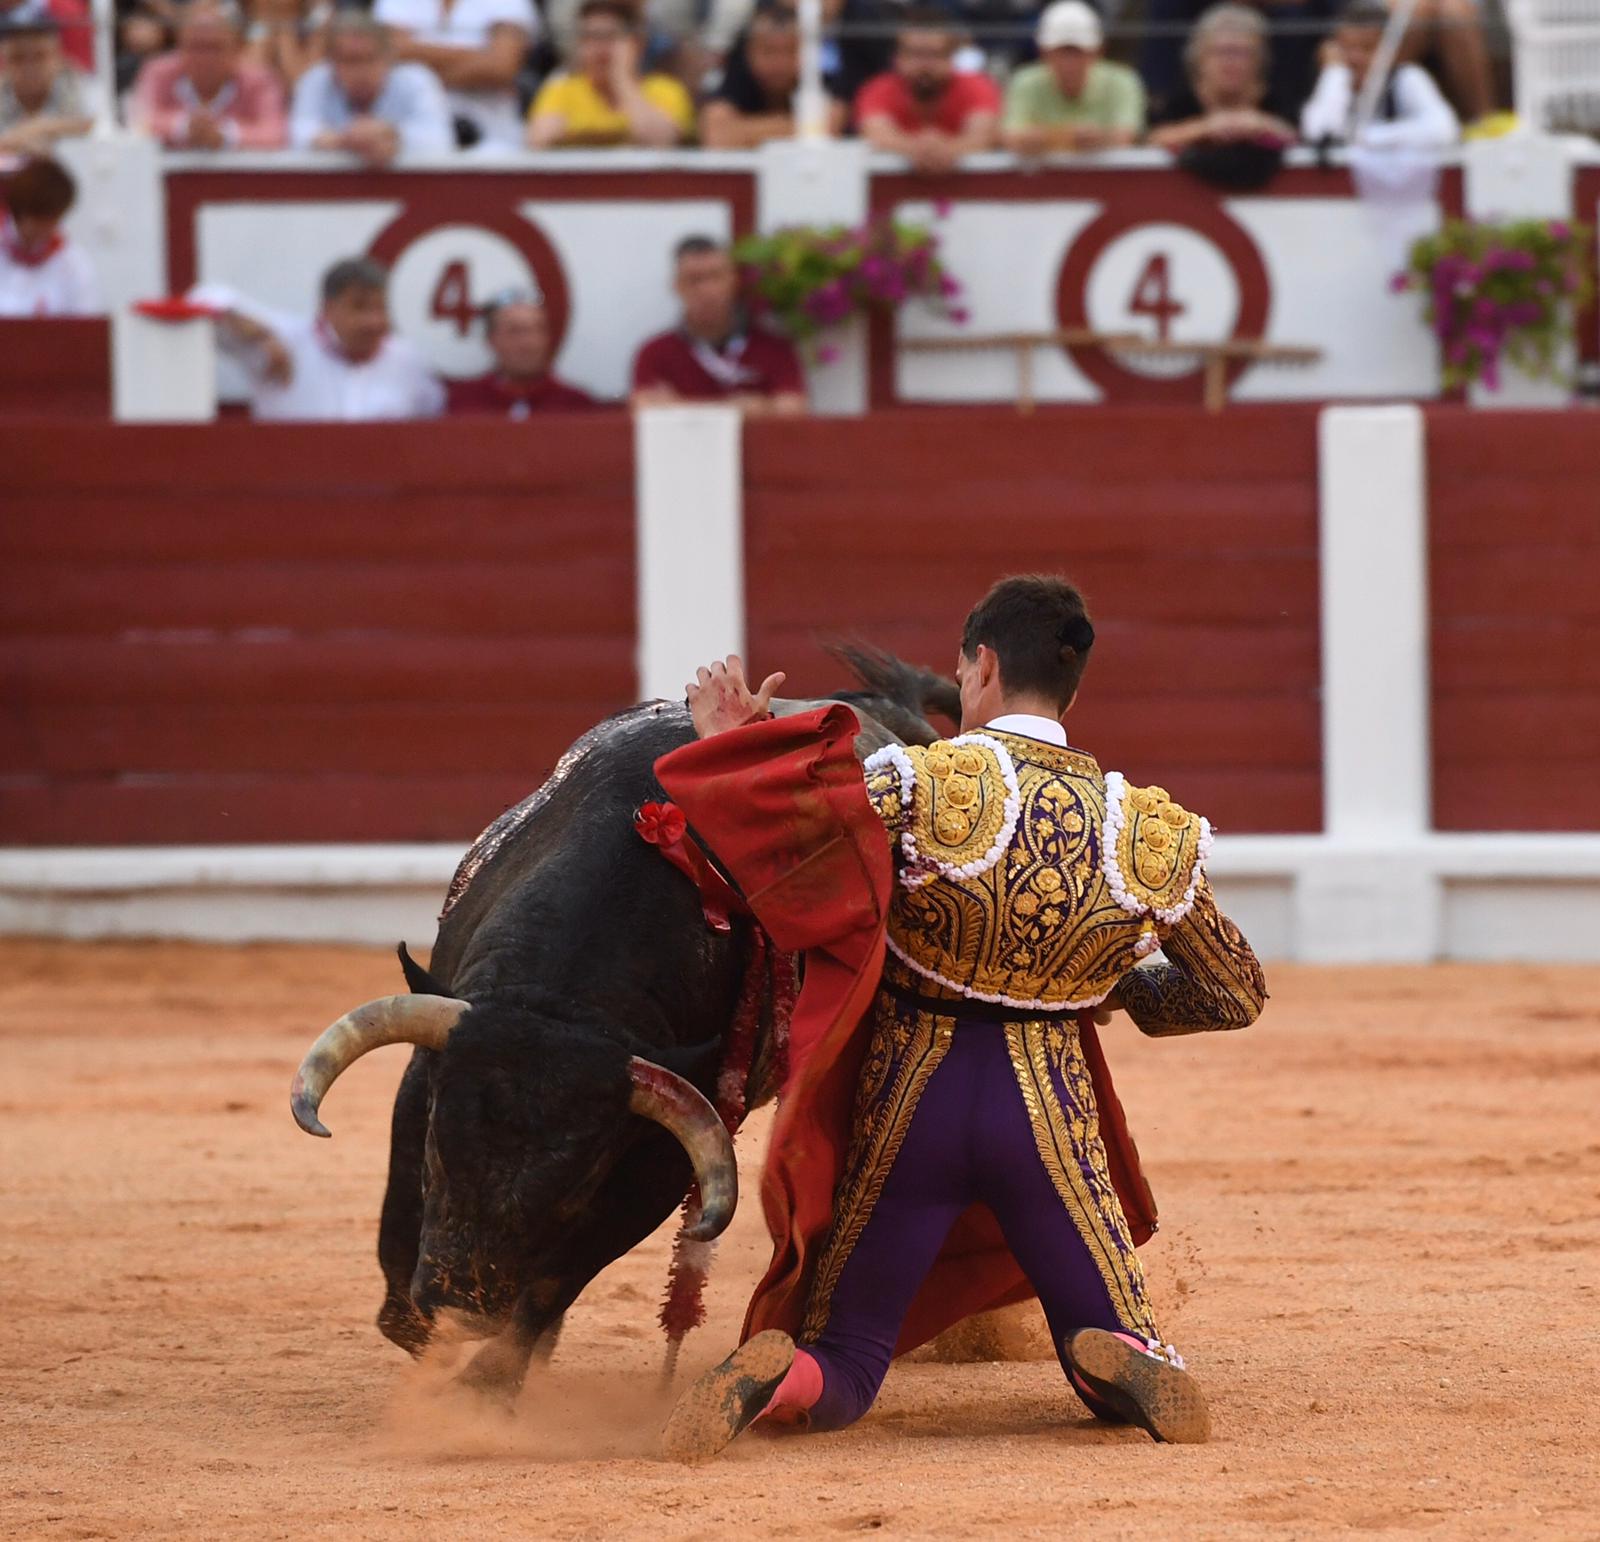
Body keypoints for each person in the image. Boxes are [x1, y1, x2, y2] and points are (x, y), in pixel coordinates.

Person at [653, 576, 1267, 1460]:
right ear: (1070, 685)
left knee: (849, 1357)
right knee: (1112, 1338)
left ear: (981, 665)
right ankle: (1120, 1356)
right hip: (1048, 1111)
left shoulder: (921, 782)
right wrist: (1115, 984)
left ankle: (779, 1378)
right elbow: (1235, 991)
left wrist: (733, 744)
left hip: (912, 1098)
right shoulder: (1146, 829)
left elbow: (791, 846)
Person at [189, 257, 446, 421]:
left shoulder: (407, 360)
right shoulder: (287, 340)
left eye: (381, 308)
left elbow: (432, 419)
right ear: (328, 308)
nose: (373, 321)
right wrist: (262, 336)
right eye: (360, 307)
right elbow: (201, 298)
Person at [631, 235, 806, 414]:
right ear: (677, 286)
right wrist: (744, 409)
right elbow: (644, 408)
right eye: (694, 279)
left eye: (716, 277)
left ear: (734, 281)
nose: (707, 290)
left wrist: (680, 406)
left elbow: (792, 410)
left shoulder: (774, 348)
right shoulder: (655, 352)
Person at [1147, 2, 1297, 184]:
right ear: (1199, 58)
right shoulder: (1180, 100)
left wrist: (1260, 123)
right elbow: (1153, 139)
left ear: (1260, 59)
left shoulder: (1277, 97)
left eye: (1242, 52)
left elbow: (1300, 137)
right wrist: (1206, 127)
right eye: (1221, 51)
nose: (1231, 62)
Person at [373, 0, 538, 150]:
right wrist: (481, 56)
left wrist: (420, 71)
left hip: (494, 139)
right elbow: (393, 51)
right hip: (412, 139)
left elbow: (500, 67)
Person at [289, 12, 454, 162]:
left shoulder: (417, 80)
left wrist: (392, 135)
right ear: (332, 63)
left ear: (389, 59)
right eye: (350, 60)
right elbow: (297, 133)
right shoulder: (316, 79)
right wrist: (345, 140)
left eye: (369, 59)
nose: (361, 71)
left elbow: (439, 140)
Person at [527, 0, 692, 148]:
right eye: (590, 37)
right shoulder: (561, 90)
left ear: (637, 43)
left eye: (610, 36)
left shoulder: (665, 90)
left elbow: (662, 141)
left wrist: (622, 79)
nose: (599, 48)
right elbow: (539, 142)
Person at [854, 10, 1001, 173]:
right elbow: (875, 136)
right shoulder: (877, 89)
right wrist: (921, 149)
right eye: (915, 54)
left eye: (935, 54)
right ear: (897, 58)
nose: (924, 65)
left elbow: (984, 136)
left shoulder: (979, 87)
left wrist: (945, 150)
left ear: (951, 57)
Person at [1300, 0, 1458, 151]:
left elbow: (1444, 130)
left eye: (1366, 48)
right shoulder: (1333, 77)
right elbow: (1318, 132)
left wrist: (1372, 138)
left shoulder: (1407, 77)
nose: (1355, 58)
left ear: (1390, 51)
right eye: (1346, 48)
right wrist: (1334, 74)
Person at [129, 0, 287, 149]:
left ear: (236, 49)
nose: (205, 58)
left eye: (214, 47)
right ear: (180, 47)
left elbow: (276, 133)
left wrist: (224, 134)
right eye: (196, 46)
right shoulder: (158, 72)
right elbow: (138, 120)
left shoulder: (260, 80)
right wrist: (184, 127)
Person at [1002, 0, 1145, 156]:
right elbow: (1010, 137)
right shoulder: (1025, 81)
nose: (1069, 62)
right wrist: (1070, 138)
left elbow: (1127, 136)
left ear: (1097, 52)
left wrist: (1050, 138)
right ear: (1044, 53)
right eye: (1062, 52)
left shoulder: (1122, 81)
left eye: (1077, 52)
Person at [700, 3, 846, 148]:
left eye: (790, 51)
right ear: (749, 52)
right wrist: (799, 127)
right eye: (768, 51)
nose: (779, 63)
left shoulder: (820, 81)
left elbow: (829, 128)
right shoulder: (736, 80)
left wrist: (745, 131)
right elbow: (717, 136)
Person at [447, 288, 599, 415]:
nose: (529, 343)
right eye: (515, 331)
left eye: (538, 329)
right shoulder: (465, 403)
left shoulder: (575, 405)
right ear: (490, 340)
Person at [0, 154, 101, 315]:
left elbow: (86, 327)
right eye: (40, 221)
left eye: (54, 219)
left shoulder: (73, 264)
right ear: (21, 213)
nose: (48, 229)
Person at [0, 18, 97, 154]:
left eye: (40, 56)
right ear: (4, 63)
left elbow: (101, 126)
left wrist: (41, 127)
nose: (29, 67)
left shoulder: (82, 85)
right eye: (18, 58)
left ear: (59, 58)